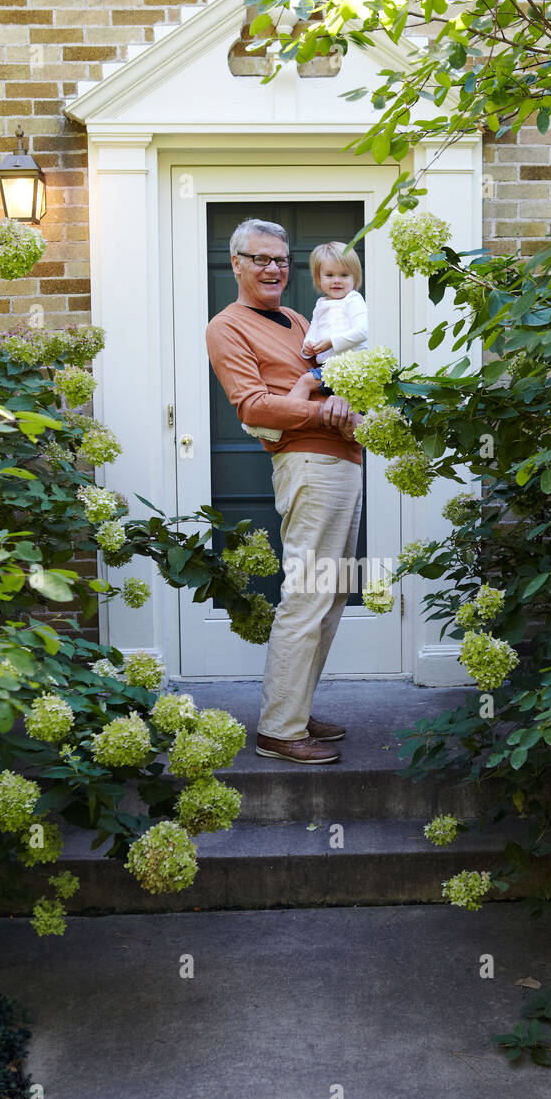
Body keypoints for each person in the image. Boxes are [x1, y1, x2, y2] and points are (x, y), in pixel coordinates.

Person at [205, 217, 364, 765]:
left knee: (334, 592)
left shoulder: (300, 319)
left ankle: (295, 706)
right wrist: (321, 408)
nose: (273, 268)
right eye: (260, 259)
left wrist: (345, 401)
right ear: (237, 265)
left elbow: (333, 374)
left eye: (280, 259)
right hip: (307, 465)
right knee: (308, 593)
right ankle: (279, 729)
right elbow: (252, 406)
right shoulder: (227, 327)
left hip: (343, 458)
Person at [240, 239, 368, 441]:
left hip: (352, 368)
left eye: (344, 275)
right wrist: (308, 348)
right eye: (330, 275)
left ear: (355, 277)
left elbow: (361, 332)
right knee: (341, 405)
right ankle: (345, 431)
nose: (337, 280)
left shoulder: (353, 300)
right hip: (332, 366)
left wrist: (331, 342)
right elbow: (314, 331)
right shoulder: (321, 304)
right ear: (319, 279)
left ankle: (274, 425)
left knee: (307, 380)